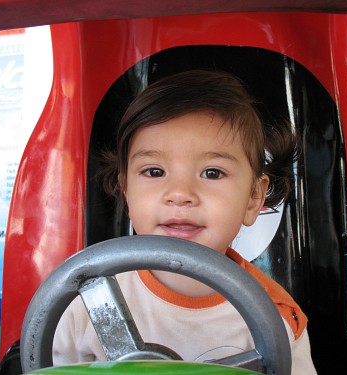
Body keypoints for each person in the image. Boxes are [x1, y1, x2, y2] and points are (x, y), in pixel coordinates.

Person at [53, 70, 317, 373]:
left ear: (253, 197)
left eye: (212, 173)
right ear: (126, 190)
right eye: (154, 171)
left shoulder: (274, 318)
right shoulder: (85, 300)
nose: (179, 194)